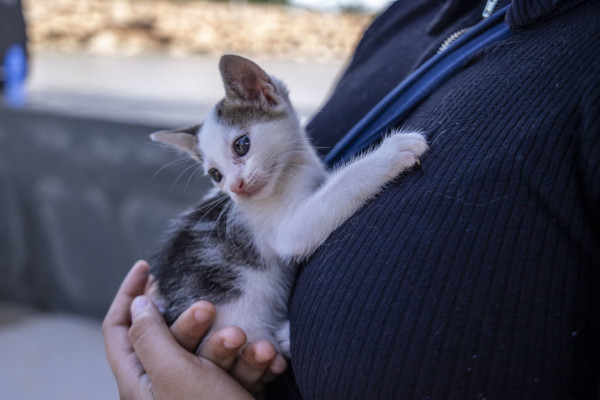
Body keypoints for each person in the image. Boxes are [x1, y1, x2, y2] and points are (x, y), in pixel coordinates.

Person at [103, 0, 600, 398]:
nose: (233, 183)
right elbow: (297, 237)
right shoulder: (409, 15)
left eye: (240, 148)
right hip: (234, 325)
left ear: (264, 93)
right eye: (215, 172)